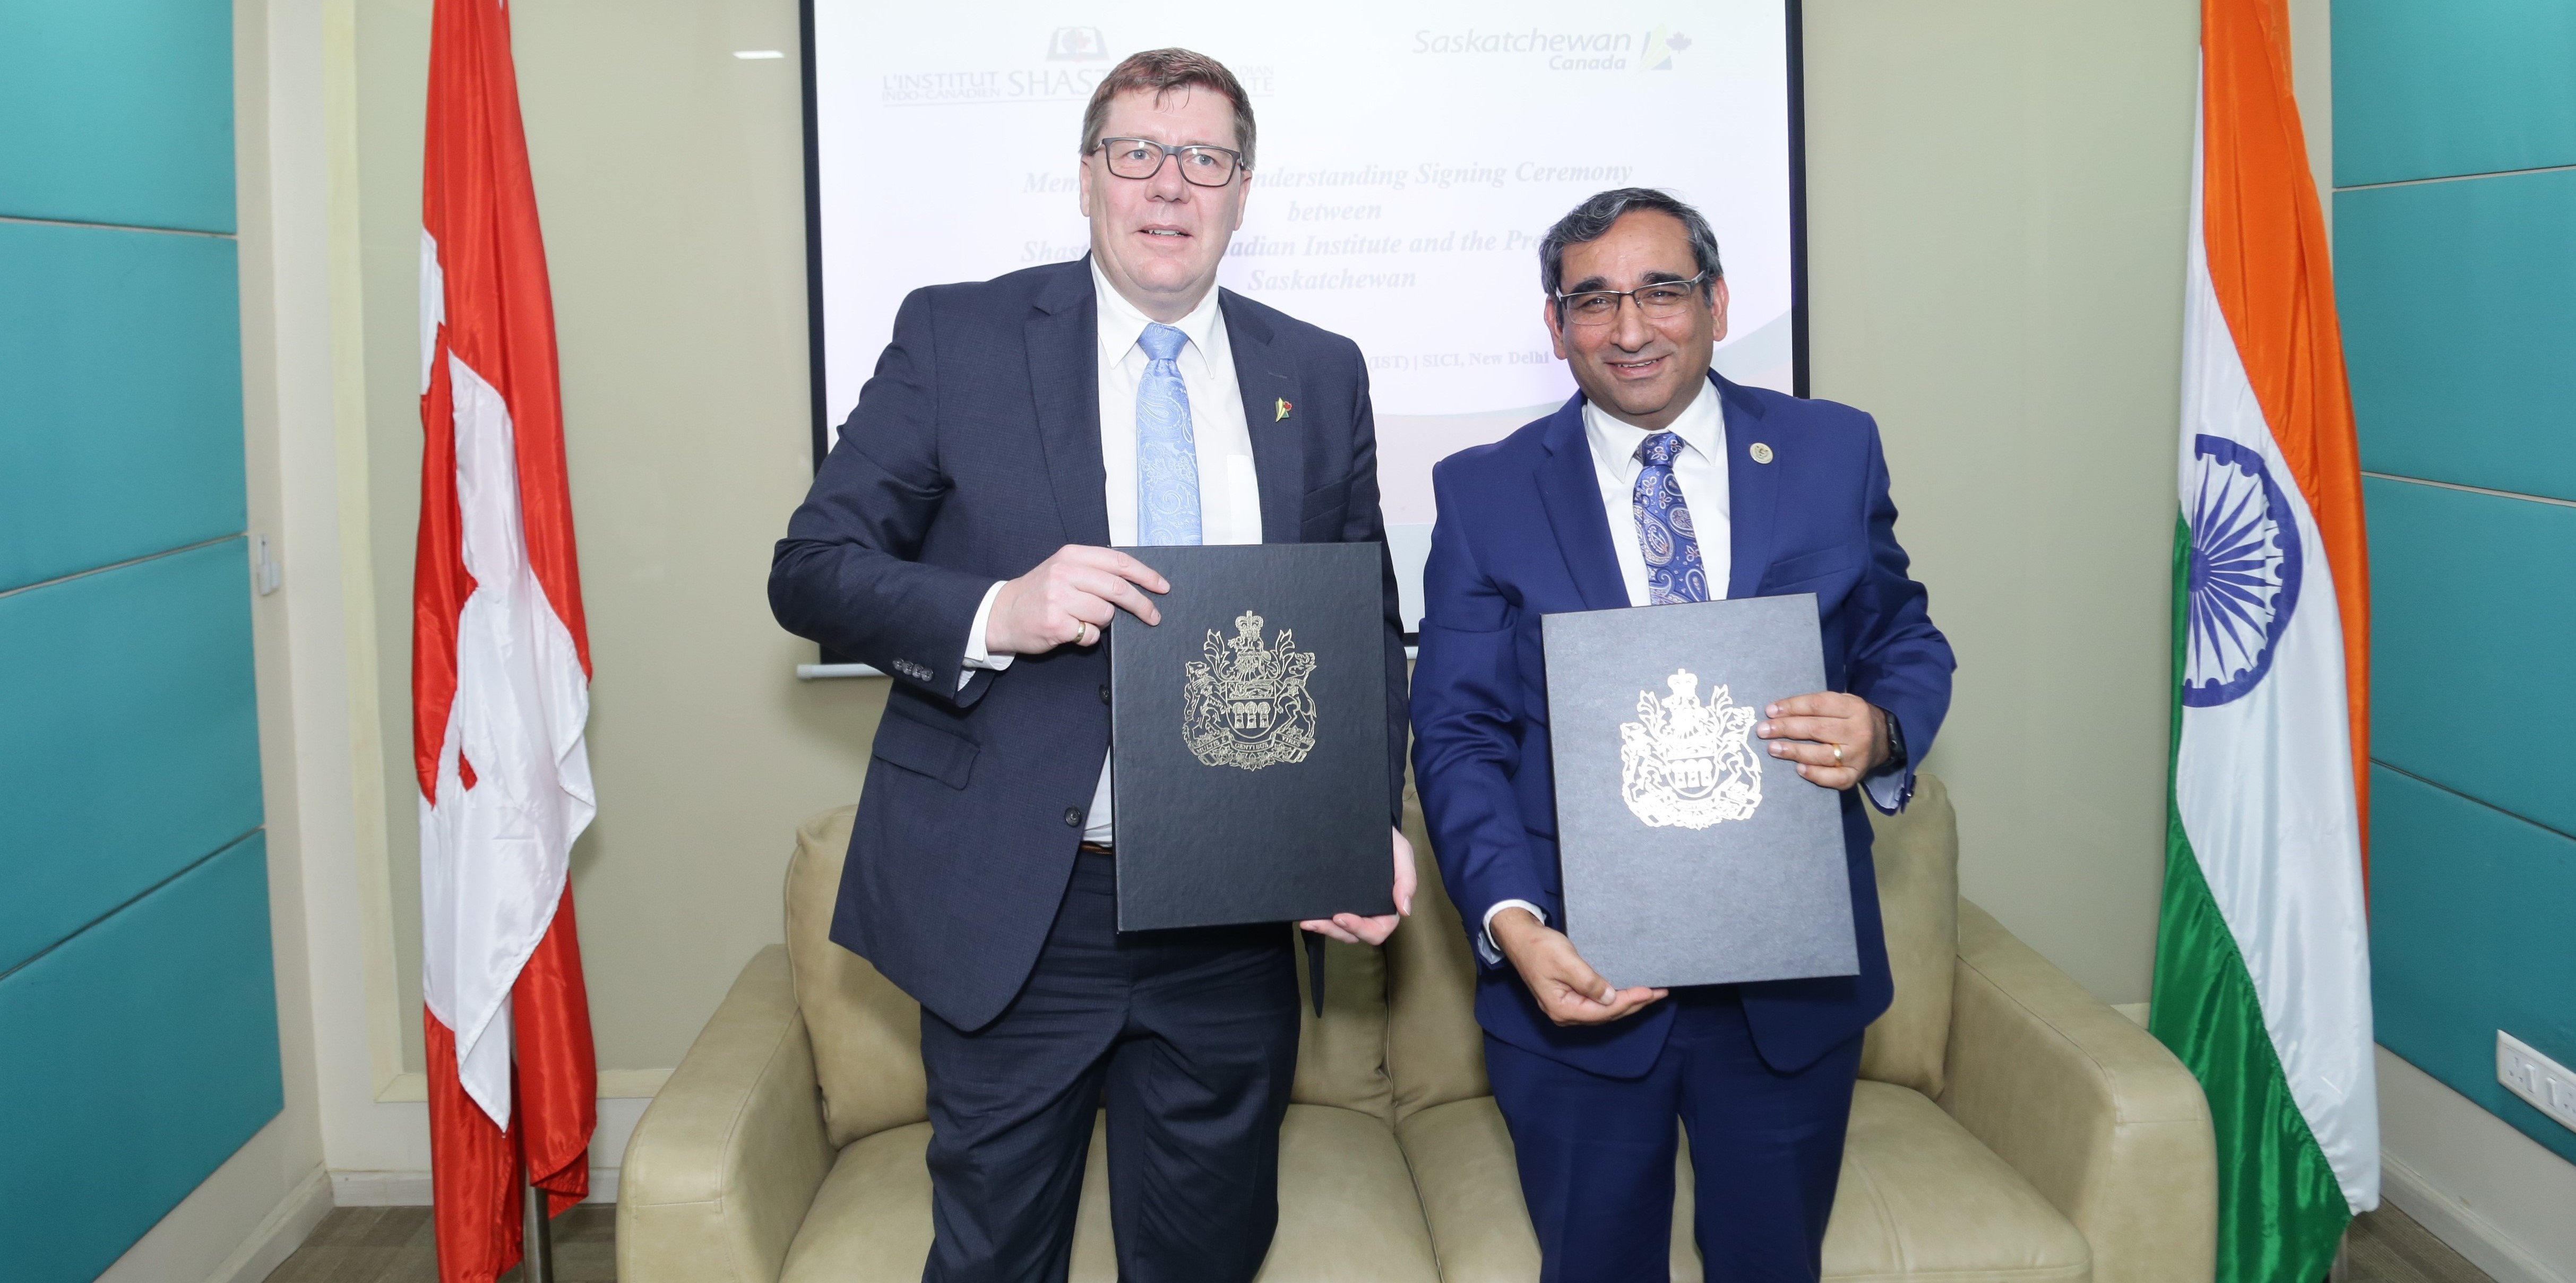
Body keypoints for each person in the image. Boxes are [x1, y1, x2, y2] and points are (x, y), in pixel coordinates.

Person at [768, 48, 1414, 1283]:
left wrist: (1356, 822)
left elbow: (1363, 626)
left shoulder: (1319, 370)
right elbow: (811, 570)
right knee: (996, 1258)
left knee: (1209, 1255)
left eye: (1206, 159)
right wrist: (997, 609)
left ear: (1242, 191)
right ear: (1086, 178)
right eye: (1138, 153)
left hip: (1234, 908)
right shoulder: (958, 337)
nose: (1170, 184)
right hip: (1021, 903)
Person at [1407, 188, 1956, 1281]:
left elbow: (1902, 637)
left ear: (1716, 303)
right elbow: (1459, 733)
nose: (1629, 328)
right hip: (1577, 982)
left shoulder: (1831, 450)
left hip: (1788, 988)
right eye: (1593, 300)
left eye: (1661, 291)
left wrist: (1882, 728)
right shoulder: (1484, 493)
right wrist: (1513, 923)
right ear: (1555, 325)